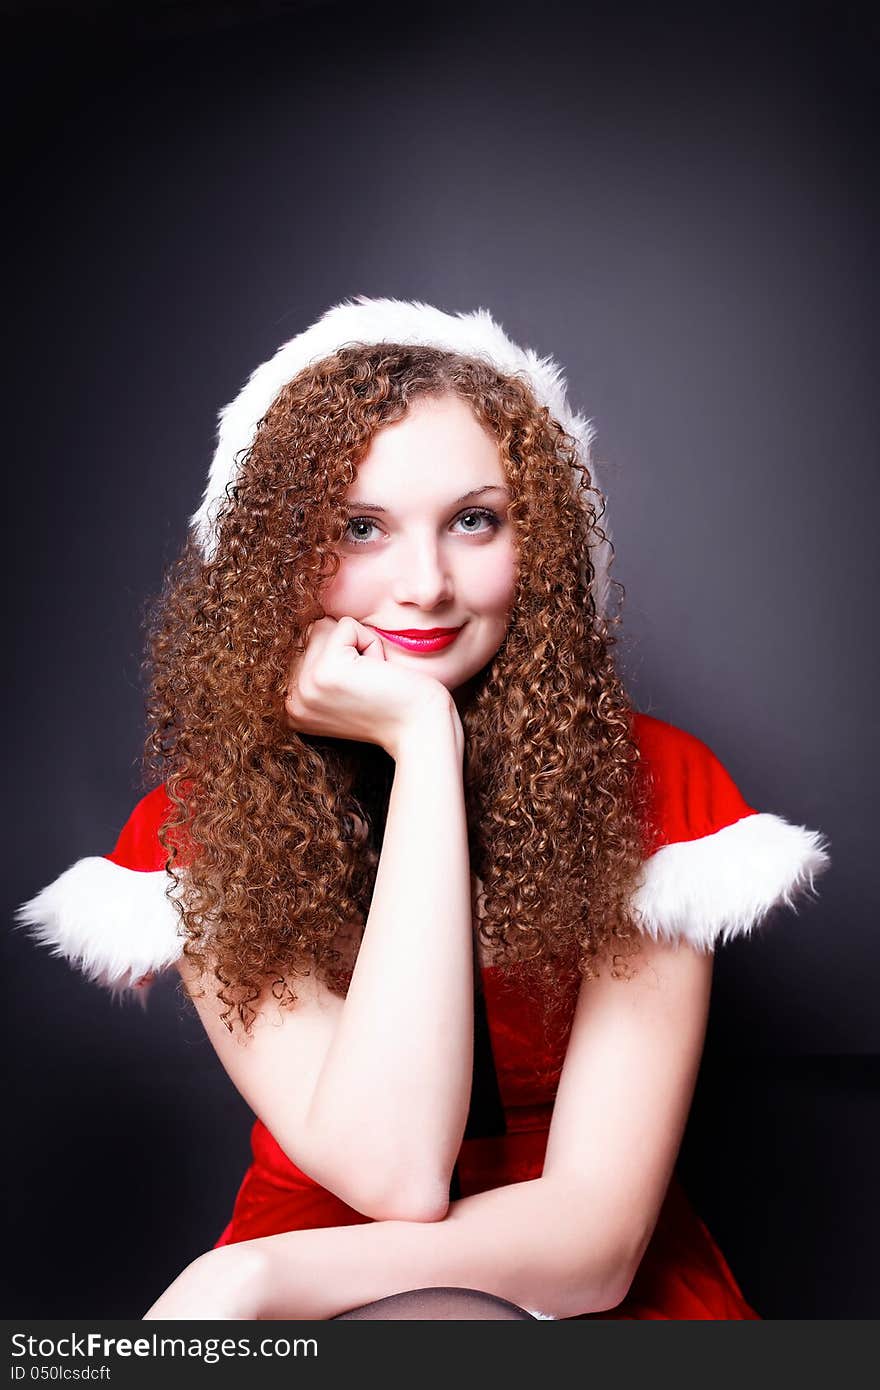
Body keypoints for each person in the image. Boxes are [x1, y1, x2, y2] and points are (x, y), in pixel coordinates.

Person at [19, 297, 830, 1320]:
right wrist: (422, 746)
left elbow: (594, 1242)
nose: (425, 584)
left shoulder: (655, 788)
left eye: (473, 520)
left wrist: (255, 1274)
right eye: (359, 528)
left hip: (541, 1274)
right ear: (273, 554)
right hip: (328, 1277)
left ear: (535, 540)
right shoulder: (205, 823)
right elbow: (393, 1169)